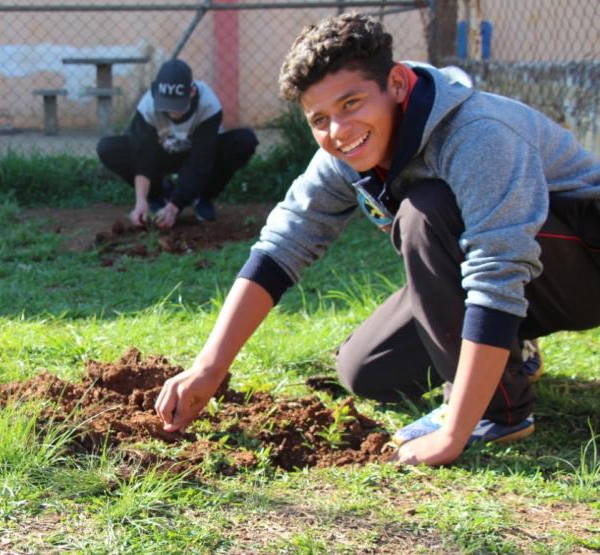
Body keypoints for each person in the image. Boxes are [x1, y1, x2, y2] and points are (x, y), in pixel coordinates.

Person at [154, 12, 600, 466]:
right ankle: (511, 348)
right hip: (522, 281)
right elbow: (282, 245)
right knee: (367, 370)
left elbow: (498, 267)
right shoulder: (345, 152)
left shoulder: (476, 133)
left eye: (351, 103)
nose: (338, 131)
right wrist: (209, 368)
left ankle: (498, 412)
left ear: (398, 84)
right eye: (320, 118)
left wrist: (452, 433)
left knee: (425, 211)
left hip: (583, 265)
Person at [97, 59, 258, 229]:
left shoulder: (208, 104)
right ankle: (158, 195)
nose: (172, 110)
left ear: (192, 92)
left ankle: (200, 197)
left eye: (177, 103)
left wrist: (175, 206)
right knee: (109, 148)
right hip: (162, 153)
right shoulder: (148, 105)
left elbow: (201, 160)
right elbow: (142, 157)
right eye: (167, 103)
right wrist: (141, 200)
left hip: (197, 153)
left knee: (243, 141)